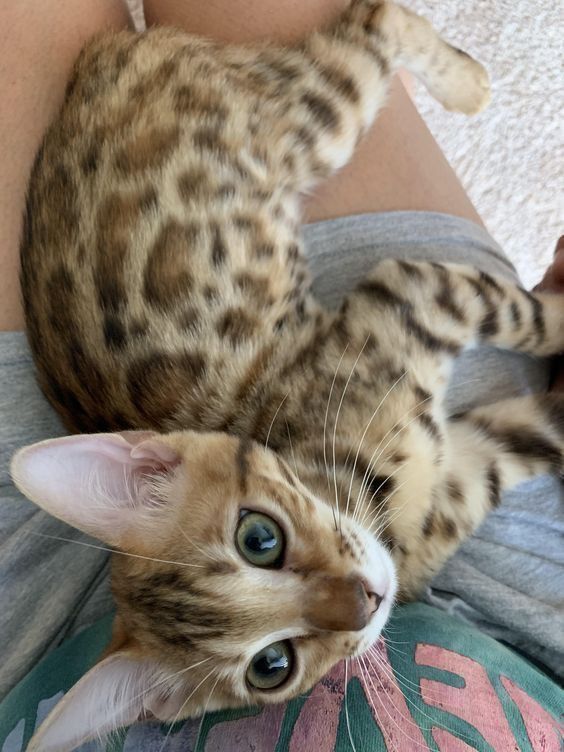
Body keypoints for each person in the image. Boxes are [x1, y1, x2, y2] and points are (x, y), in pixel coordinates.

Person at [0, 2, 562, 750]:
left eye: (261, 543)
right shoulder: (392, 557)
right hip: (522, 618)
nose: (348, 607)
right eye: (271, 663)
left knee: (325, 100)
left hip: (192, 210)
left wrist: (547, 324)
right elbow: (517, 442)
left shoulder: (344, 457)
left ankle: (385, 32)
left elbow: (416, 296)